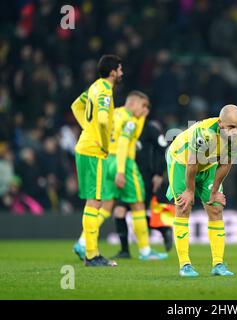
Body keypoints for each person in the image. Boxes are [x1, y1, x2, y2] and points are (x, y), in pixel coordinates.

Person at [73, 91, 167, 261]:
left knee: (105, 206)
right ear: (132, 103)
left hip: (106, 160)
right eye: (143, 106)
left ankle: (82, 241)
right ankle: (145, 251)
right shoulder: (130, 120)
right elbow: (124, 144)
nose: (145, 110)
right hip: (123, 162)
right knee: (138, 204)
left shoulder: (113, 113)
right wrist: (121, 171)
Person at [166, 105, 237, 277]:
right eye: (231, 127)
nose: (236, 131)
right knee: (183, 207)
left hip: (208, 165)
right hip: (181, 162)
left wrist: (215, 190)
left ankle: (218, 264)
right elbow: (192, 163)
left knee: (216, 207)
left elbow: (226, 163)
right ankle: (185, 265)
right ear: (220, 123)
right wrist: (190, 190)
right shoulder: (203, 133)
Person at [71, 54, 122, 267]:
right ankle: (91, 255)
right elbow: (101, 120)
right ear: (112, 72)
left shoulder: (93, 87)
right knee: (95, 201)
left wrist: (86, 127)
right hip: (93, 150)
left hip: (85, 146)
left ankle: (91, 253)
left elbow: (76, 106)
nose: (121, 73)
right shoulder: (105, 91)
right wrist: (103, 142)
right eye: (119, 69)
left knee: (92, 201)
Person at [111, 118, 171, 259]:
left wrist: (158, 173)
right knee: (119, 211)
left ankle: (162, 229)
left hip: (144, 178)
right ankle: (125, 251)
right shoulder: (124, 126)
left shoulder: (149, 128)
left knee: (137, 211)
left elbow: (162, 149)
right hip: (125, 175)